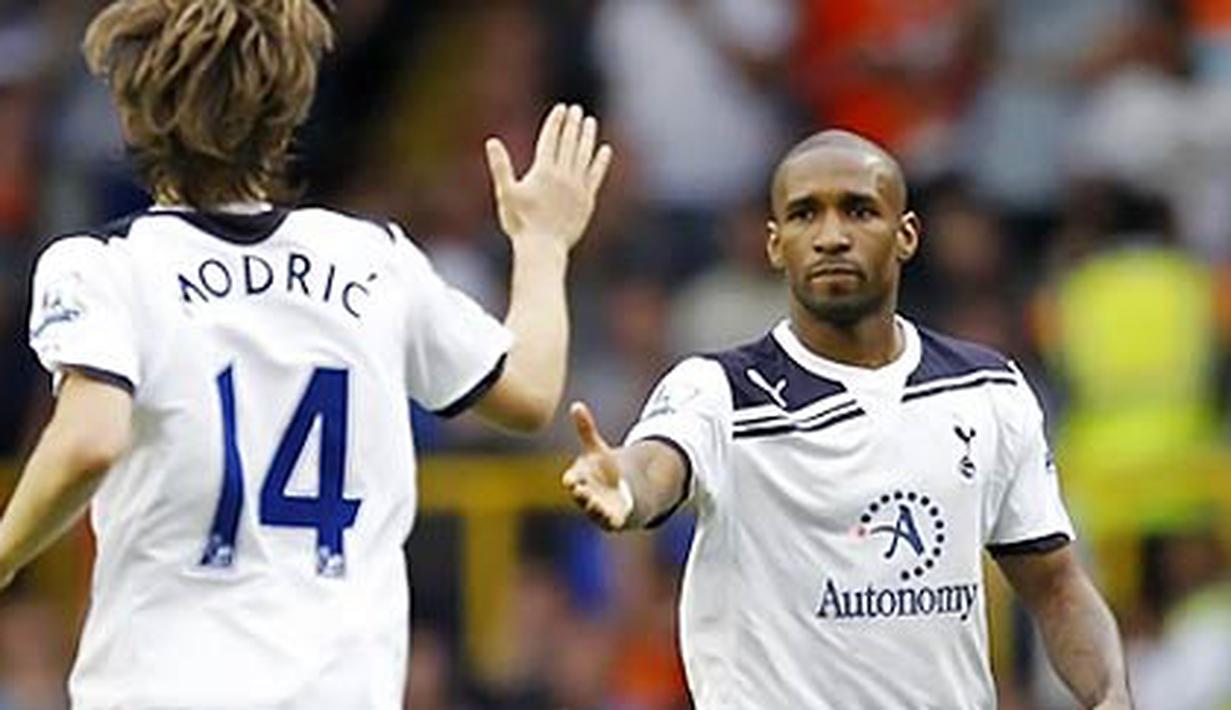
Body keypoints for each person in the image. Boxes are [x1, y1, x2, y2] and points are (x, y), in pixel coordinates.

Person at [0, 1, 611, 709]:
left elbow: (89, 441)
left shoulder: (105, 265)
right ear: (291, 106)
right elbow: (532, 392)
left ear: (130, 106)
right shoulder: (370, 260)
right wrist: (541, 244)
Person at [562, 130, 1132, 708]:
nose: (832, 236)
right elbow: (657, 465)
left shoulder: (988, 390)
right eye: (805, 214)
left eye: (859, 211)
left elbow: (1058, 587)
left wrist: (1111, 695)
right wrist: (627, 487)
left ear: (906, 234)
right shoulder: (719, 391)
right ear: (775, 243)